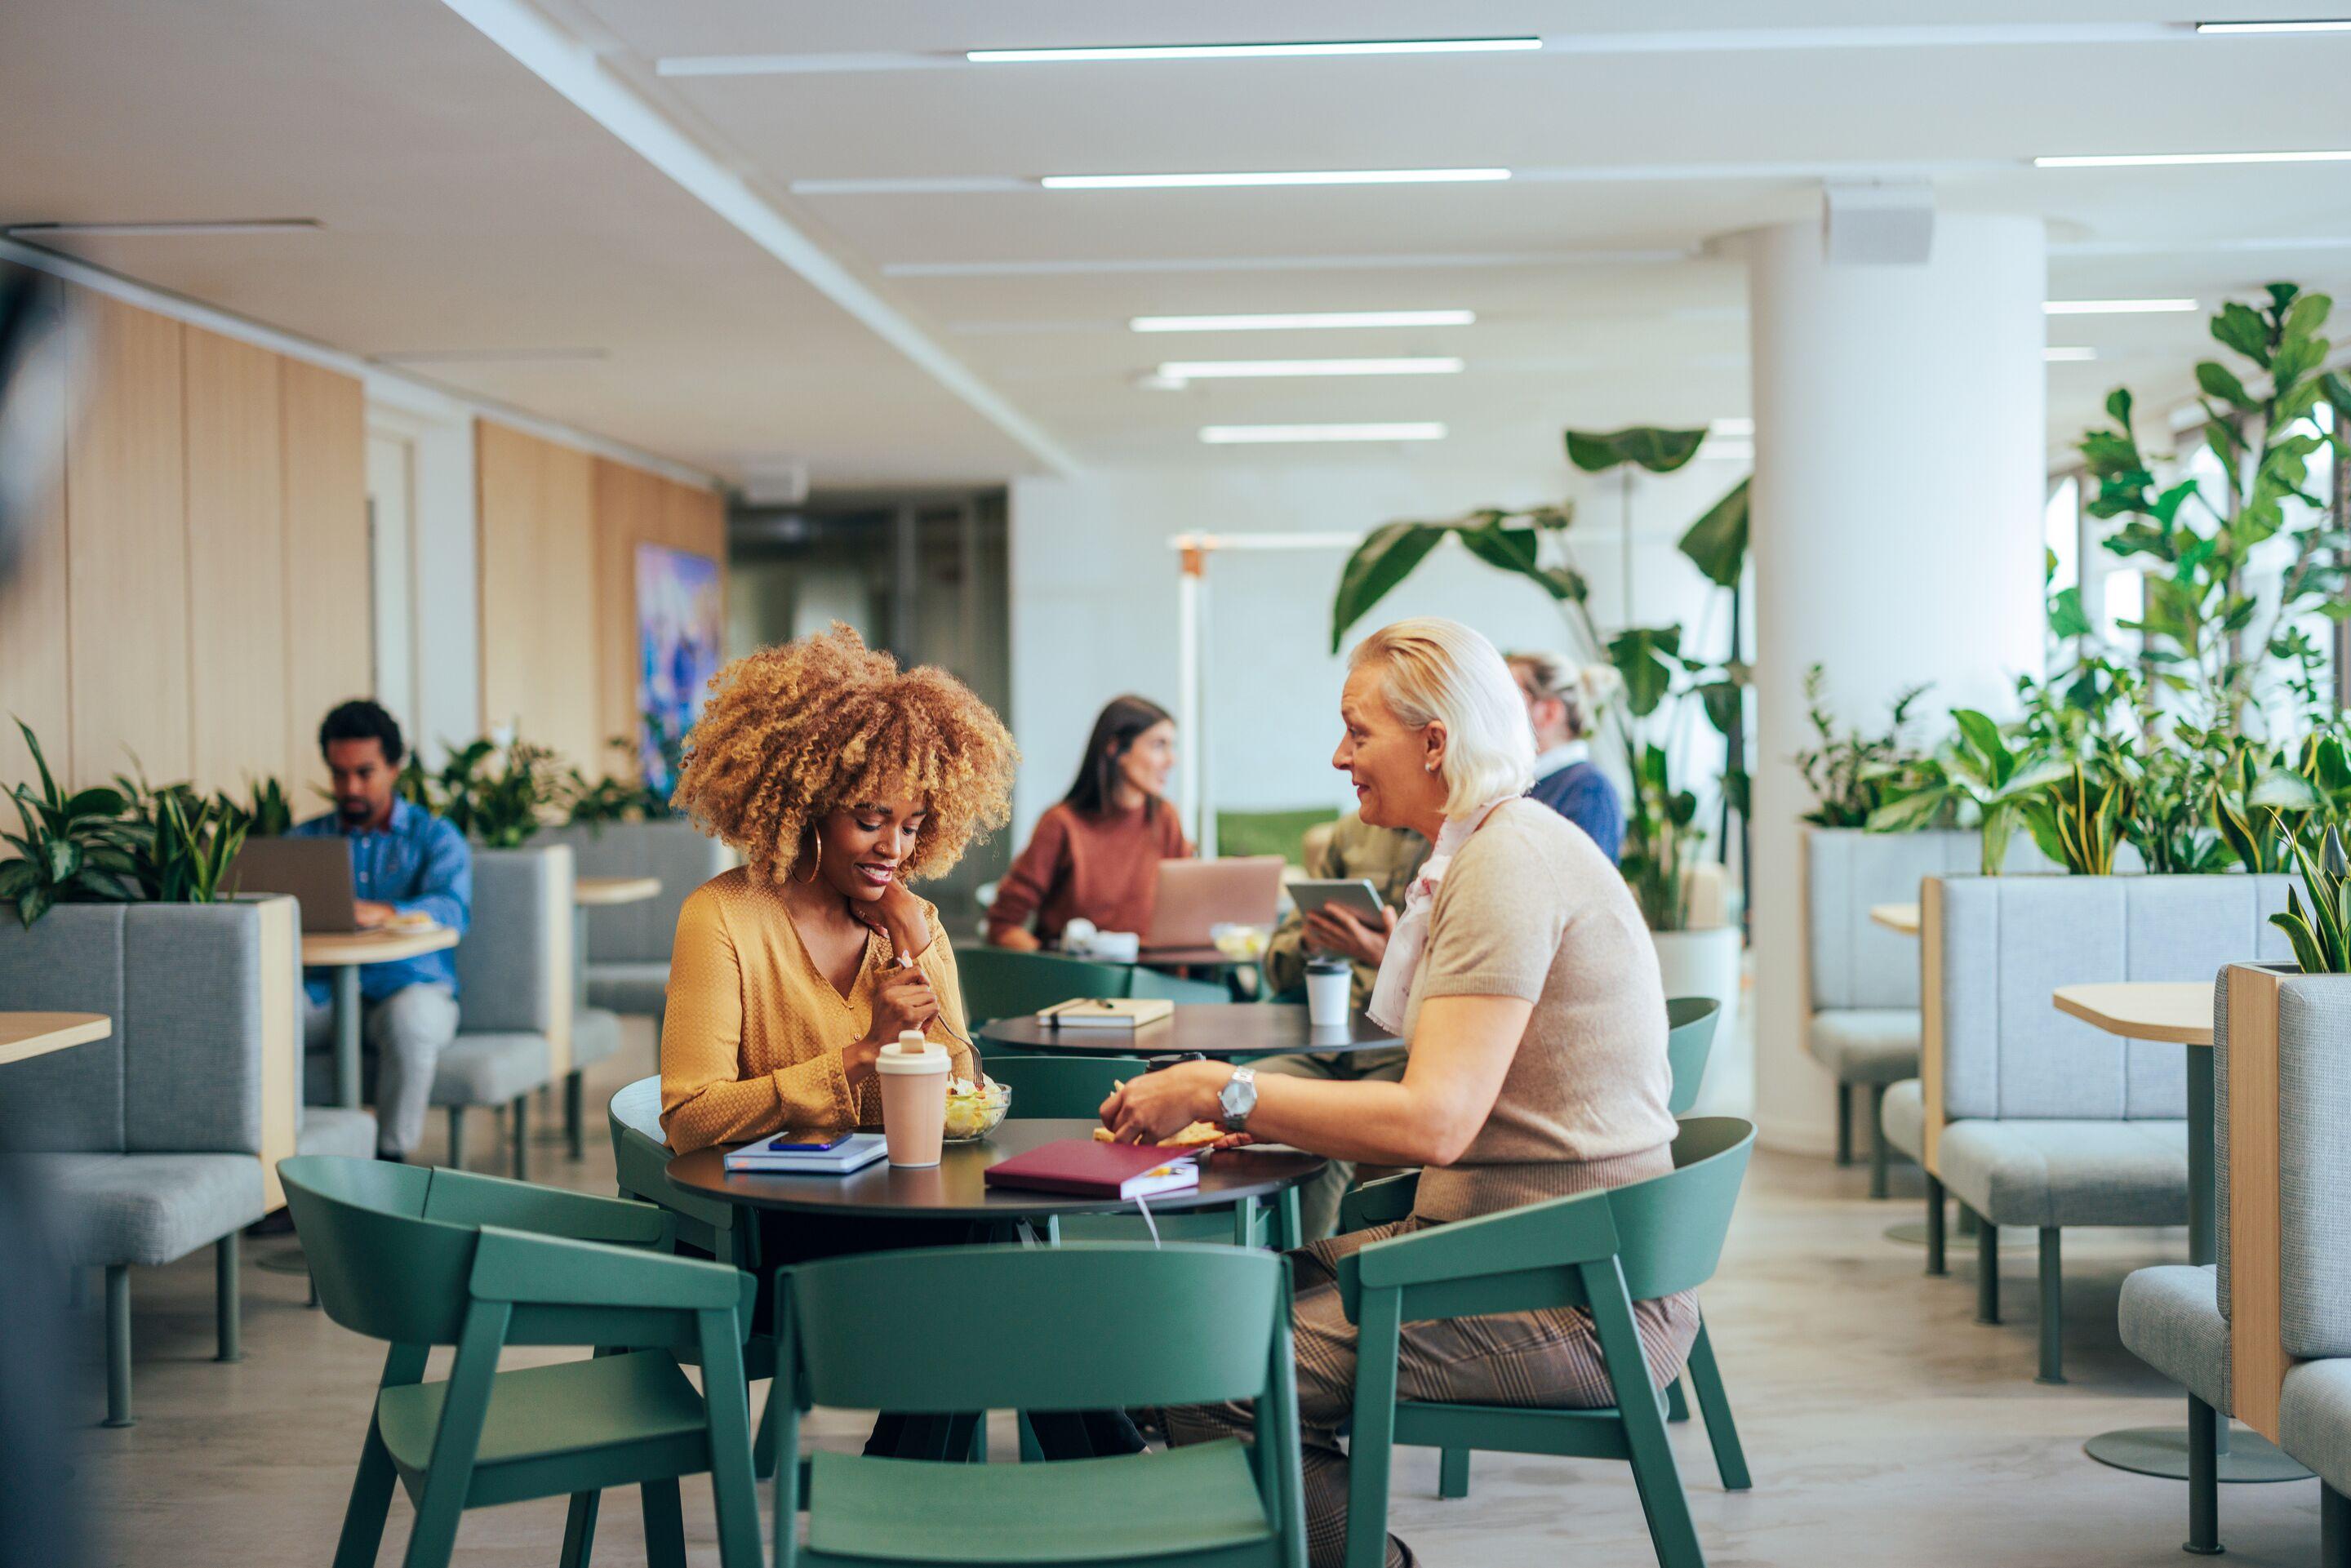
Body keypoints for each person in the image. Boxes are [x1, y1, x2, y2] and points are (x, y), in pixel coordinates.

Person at [1104, 619, 1691, 1568]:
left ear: (1435, 742)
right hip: (1522, 1249)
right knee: (1187, 1315)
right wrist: (1252, 1111)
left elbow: (1435, 1118)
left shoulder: (1505, 867)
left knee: (1204, 1357)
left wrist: (1229, 1089)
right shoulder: (1493, 846)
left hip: (1568, 1290)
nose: (1340, 756)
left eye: (1357, 731)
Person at [660, 625, 1016, 1153]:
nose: (894, 848)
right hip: (781, 1220)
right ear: (808, 807)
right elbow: (690, 1119)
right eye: (870, 820)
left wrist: (919, 944)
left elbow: (963, 1105)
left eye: (911, 825)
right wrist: (864, 1053)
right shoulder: (722, 917)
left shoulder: (915, 922)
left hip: (911, 1212)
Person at [294, 700, 472, 1162]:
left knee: (410, 1023)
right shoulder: (303, 843)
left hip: (412, 988)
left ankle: (391, 1170)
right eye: (338, 773)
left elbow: (452, 908)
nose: (349, 787)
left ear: (394, 768)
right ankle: (286, 1177)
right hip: (324, 993)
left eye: (364, 772)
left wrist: (387, 912)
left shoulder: (435, 837)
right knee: (267, 1021)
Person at [1254, 812, 1429, 1240]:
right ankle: (1282, 1272)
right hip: (1329, 1047)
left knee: (1388, 1154)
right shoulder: (1349, 834)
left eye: (1360, 739)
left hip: (1407, 1055)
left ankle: (1361, 1281)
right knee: (1240, 1104)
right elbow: (1278, 965)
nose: (1344, 760)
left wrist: (1385, 954)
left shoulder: (1467, 840)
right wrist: (1312, 941)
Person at [986, 695, 1189, 949]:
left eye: (1173, 746)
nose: (1172, 760)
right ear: (1116, 748)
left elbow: (1189, 910)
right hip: (1084, 982)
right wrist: (1057, 970)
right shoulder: (1061, 825)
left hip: (1160, 979)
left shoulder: (1165, 818)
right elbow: (1003, 925)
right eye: (1159, 745)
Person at [1508, 649, 1625, 862]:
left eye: (1509, 698)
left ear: (1550, 712)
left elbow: (1583, 888)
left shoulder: (1590, 791)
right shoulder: (1522, 781)